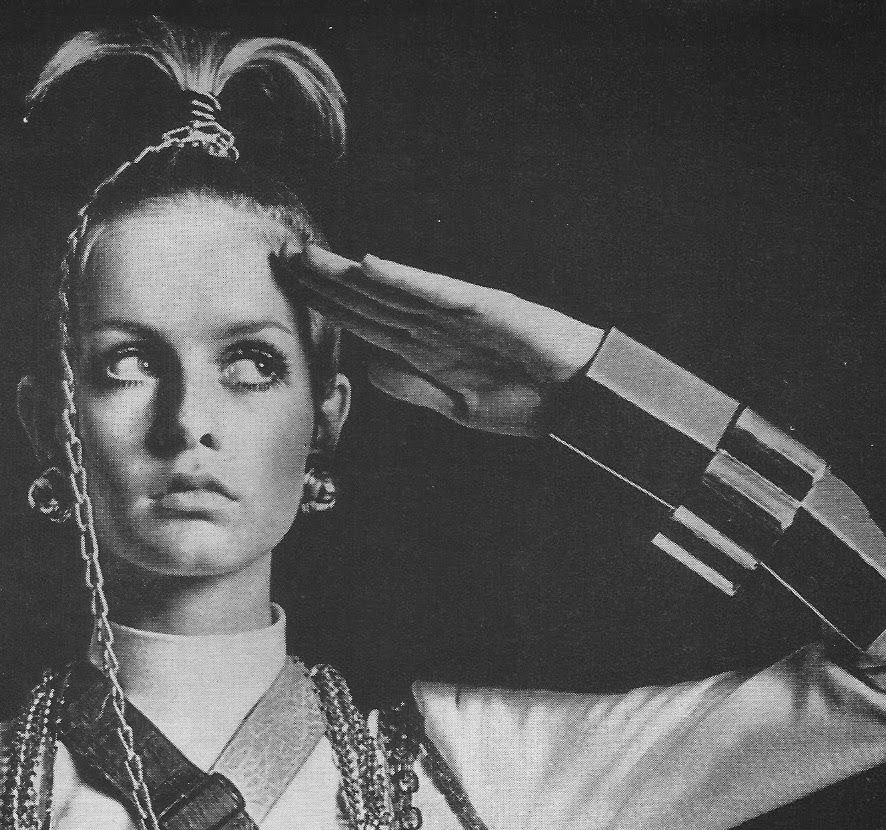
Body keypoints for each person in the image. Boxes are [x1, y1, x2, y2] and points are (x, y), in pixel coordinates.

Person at [4, 15, 886, 830]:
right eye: (128, 363)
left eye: (251, 363)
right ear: (51, 423)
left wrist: (589, 393)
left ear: (325, 419)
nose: (188, 420)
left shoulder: (489, 763)